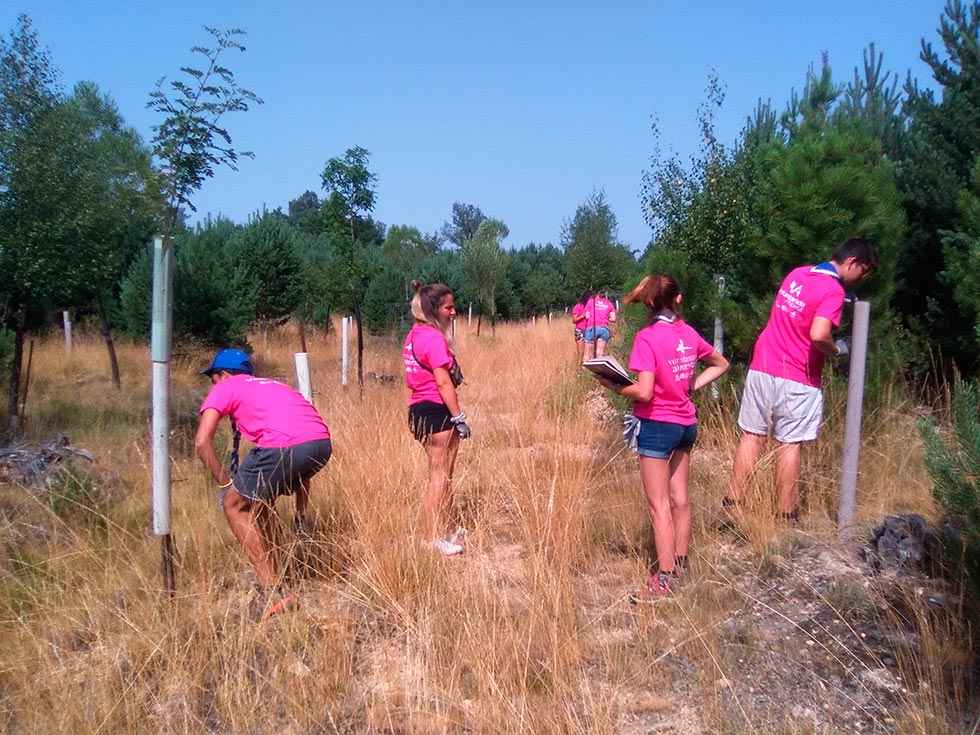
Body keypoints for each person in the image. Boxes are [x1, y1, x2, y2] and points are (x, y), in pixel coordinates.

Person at [725, 237, 877, 523]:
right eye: (864, 272)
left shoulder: (798, 273)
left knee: (751, 435)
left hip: (762, 365)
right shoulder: (832, 291)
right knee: (790, 444)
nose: (862, 279)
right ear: (853, 262)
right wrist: (838, 349)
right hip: (797, 376)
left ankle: (732, 505)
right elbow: (819, 334)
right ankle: (786, 514)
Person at [598, 275, 729, 600]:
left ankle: (664, 580)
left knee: (659, 507)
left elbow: (643, 391)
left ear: (648, 304)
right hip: (686, 423)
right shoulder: (687, 333)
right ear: (678, 299)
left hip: (656, 425)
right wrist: (692, 386)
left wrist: (612, 384)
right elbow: (721, 363)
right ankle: (681, 565)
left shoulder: (647, 338)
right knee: (680, 500)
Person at [194, 348, 332, 620]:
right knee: (258, 501)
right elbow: (302, 431)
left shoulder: (226, 386)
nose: (213, 382)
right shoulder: (272, 385)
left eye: (213, 377)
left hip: (284, 446)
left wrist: (225, 485)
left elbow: (201, 442)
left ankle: (272, 591)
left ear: (223, 374)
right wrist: (301, 512)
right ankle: (279, 567)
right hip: (321, 444)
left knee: (234, 506)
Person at [403, 281, 472, 556]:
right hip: (435, 411)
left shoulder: (414, 335)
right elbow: (444, 383)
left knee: (444, 474)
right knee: (439, 476)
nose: (453, 312)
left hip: (419, 409)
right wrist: (459, 417)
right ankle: (431, 538)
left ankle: (447, 527)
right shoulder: (433, 339)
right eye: (449, 307)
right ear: (435, 310)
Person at [583, 291, 617, 361]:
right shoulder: (609, 303)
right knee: (600, 353)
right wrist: (606, 318)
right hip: (604, 329)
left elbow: (586, 316)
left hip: (592, 328)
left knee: (587, 353)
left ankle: (585, 370)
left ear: (597, 294)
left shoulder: (591, 301)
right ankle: (598, 369)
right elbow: (613, 319)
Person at [571, 291, 591, 357]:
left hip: (589, 330)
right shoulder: (578, 306)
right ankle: (579, 366)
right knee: (580, 352)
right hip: (580, 330)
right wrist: (583, 316)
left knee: (589, 352)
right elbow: (574, 320)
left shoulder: (592, 307)